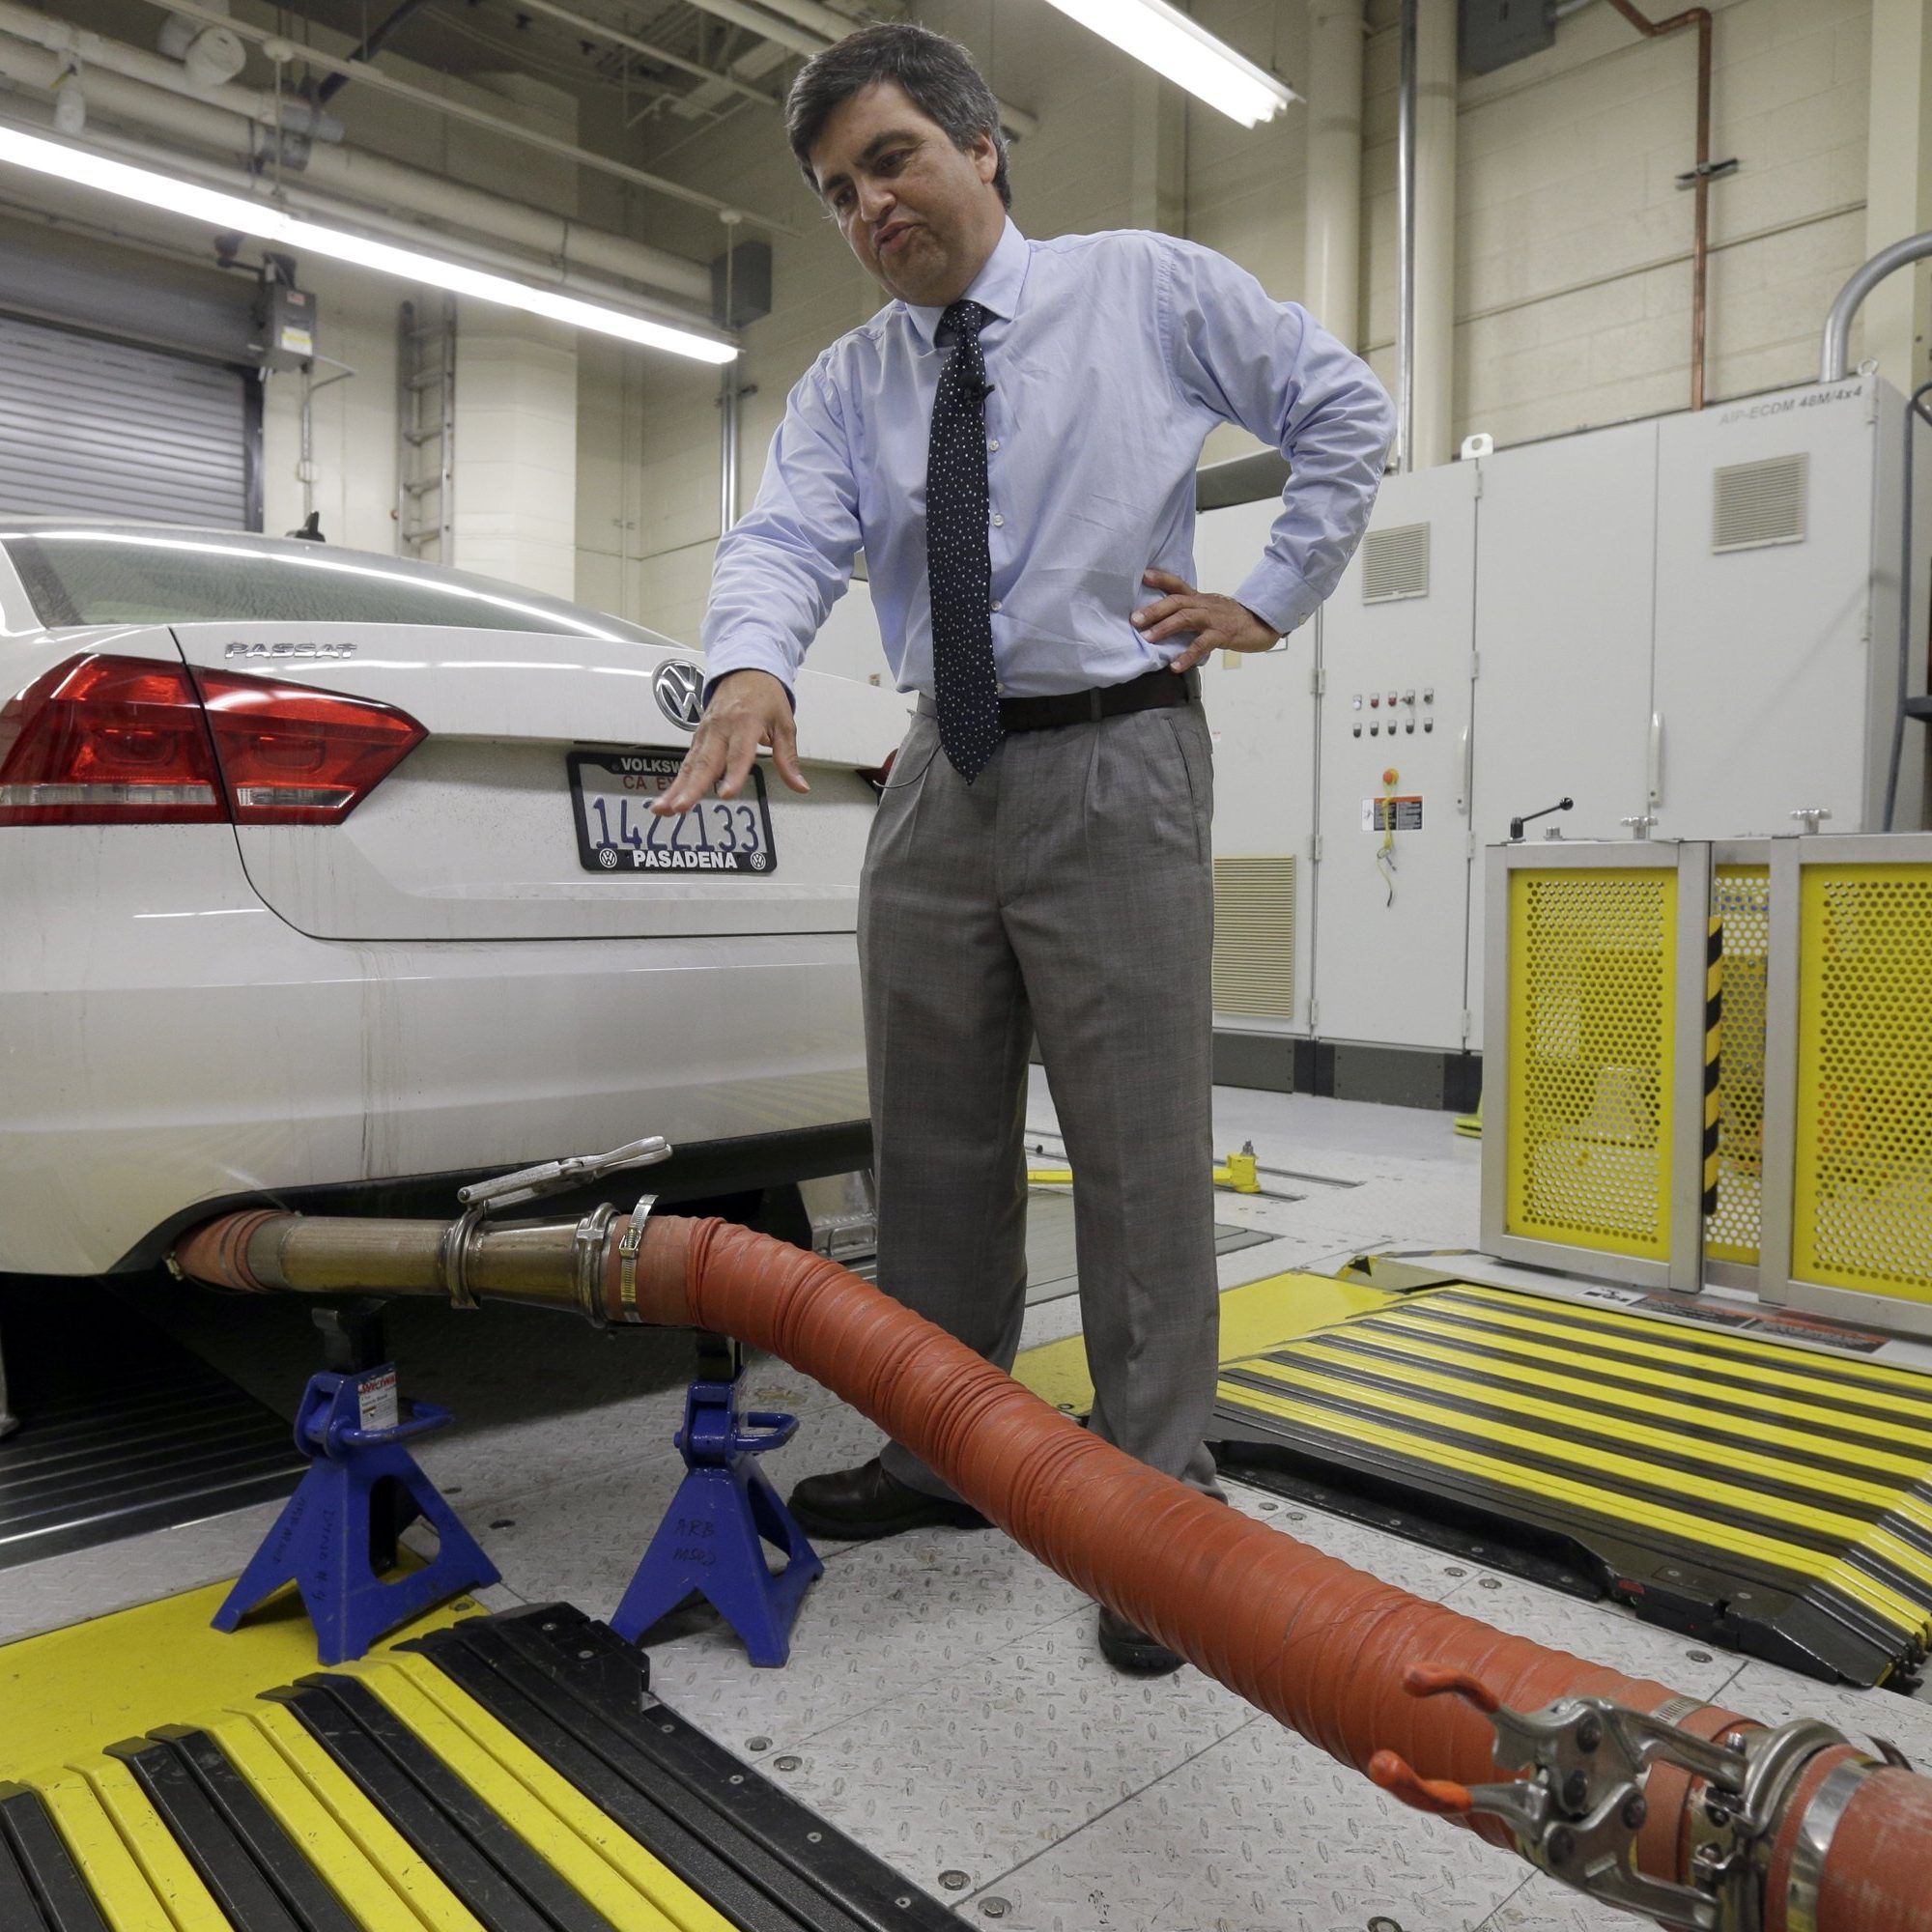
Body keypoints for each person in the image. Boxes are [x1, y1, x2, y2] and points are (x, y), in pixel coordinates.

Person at [654, 21, 1394, 1674]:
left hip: (1114, 759)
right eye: (840, 194)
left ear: (983, 147)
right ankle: (940, 1449)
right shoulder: (854, 382)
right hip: (940, 776)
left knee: (1135, 1149)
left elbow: (1345, 411)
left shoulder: (1143, 291)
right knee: (929, 1146)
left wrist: (1265, 593)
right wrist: (755, 659)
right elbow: (783, 537)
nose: (871, 210)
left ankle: (1157, 1509)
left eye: (892, 161)